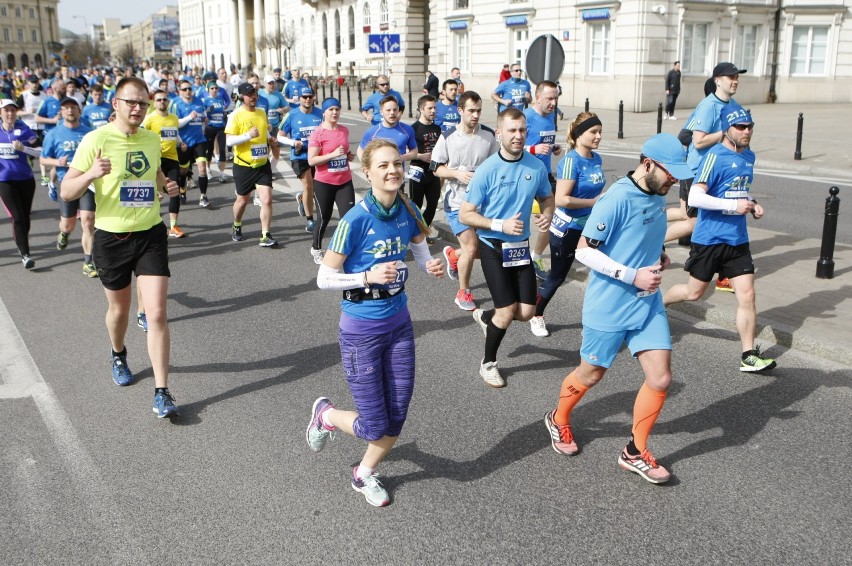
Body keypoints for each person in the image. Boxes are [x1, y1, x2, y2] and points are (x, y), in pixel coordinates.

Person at [544, 133, 691, 484]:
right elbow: (584, 250)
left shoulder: (655, 194)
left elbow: (642, 237)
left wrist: (657, 257)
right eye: (670, 173)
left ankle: (635, 452)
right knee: (591, 374)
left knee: (660, 378)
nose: (674, 181)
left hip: (648, 303)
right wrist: (631, 274)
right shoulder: (616, 199)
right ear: (648, 164)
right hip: (610, 305)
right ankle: (558, 417)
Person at [305, 138, 444, 507]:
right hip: (361, 333)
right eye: (382, 165)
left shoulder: (408, 208)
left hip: (399, 325)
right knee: (374, 424)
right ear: (367, 173)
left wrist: (430, 264)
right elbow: (323, 278)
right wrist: (366, 277)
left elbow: (417, 246)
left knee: (396, 416)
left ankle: (362, 473)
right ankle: (326, 414)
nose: (392, 170)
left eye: (396, 163)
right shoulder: (355, 219)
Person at [62, 77, 181, 418]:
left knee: (156, 313)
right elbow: (68, 190)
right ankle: (117, 352)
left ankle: (162, 391)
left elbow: (154, 169)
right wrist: (90, 175)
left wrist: (165, 185)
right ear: (116, 104)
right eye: (131, 102)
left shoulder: (151, 138)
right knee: (120, 312)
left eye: (143, 103)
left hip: (149, 234)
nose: (137, 109)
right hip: (111, 238)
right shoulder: (95, 140)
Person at [664, 102, 776, 373]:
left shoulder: (749, 156)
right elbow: (695, 197)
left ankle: (748, 354)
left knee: (747, 295)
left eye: (750, 126)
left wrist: (752, 202)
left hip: (737, 240)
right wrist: (732, 207)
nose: (746, 131)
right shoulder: (714, 156)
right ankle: (657, 304)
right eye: (741, 126)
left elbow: (737, 190)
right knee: (693, 294)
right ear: (727, 129)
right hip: (710, 239)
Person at [459, 108, 554, 387]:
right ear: (499, 133)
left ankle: (484, 317)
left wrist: (547, 214)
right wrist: (500, 225)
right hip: (492, 245)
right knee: (506, 311)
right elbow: (466, 214)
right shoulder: (488, 169)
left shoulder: (535, 166)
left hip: (519, 247)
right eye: (512, 130)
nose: (518, 136)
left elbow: (547, 199)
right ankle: (488, 363)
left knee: (525, 313)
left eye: (522, 130)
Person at [529, 112, 605, 337]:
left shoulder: (596, 158)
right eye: (593, 132)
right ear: (579, 134)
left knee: (602, 271)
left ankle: (596, 321)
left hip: (591, 226)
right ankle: (536, 313)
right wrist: (594, 202)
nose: (598, 136)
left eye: (600, 132)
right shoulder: (571, 161)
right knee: (558, 276)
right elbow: (562, 199)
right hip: (568, 227)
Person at [434, 91, 499, 311]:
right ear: (460, 111)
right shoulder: (448, 136)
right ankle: (464, 292)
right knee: (471, 247)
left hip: (482, 204)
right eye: (471, 110)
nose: (475, 115)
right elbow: (435, 168)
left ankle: (454, 255)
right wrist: (456, 174)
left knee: (486, 249)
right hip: (456, 203)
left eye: (479, 110)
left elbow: (497, 166)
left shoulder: (489, 136)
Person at [683, 62, 746, 291]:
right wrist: (725, 132)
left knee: (719, 218)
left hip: (721, 172)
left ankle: (723, 273)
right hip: (698, 170)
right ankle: (656, 244)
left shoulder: (735, 105)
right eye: (730, 76)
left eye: (737, 76)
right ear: (718, 80)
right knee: (693, 222)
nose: (735, 80)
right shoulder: (708, 106)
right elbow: (698, 141)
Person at [39, 97, 96, 276]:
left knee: (88, 221)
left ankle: (88, 261)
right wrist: (57, 161)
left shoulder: (90, 133)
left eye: (73, 107)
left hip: (87, 182)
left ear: (79, 111)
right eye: (66, 108)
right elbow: (42, 158)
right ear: (61, 113)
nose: (70, 111)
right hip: (68, 184)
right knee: (68, 225)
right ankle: (64, 234)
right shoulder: (54, 134)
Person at [225, 82, 278, 247]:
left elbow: (264, 131)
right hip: (244, 165)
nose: (254, 97)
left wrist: (269, 137)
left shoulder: (261, 113)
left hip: (262, 164)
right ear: (242, 97)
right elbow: (229, 141)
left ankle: (265, 234)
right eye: (250, 94)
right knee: (242, 200)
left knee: (267, 199)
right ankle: (237, 224)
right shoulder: (236, 115)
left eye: (255, 93)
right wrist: (248, 135)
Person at [306, 97, 356, 264]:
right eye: (331, 110)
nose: (334, 112)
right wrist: (333, 155)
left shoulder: (344, 130)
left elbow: (343, 151)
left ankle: (344, 249)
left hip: (344, 180)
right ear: (324, 112)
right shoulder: (318, 133)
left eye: (337, 109)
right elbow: (311, 160)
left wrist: (348, 156)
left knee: (348, 219)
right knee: (324, 218)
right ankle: (316, 248)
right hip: (324, 183)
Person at [524, 80, 563, 280]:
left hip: (545, 176)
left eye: (556, 98)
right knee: (518, 221)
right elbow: (505, 146)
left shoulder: (550, 117)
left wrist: (554, 147)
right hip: (523, 176)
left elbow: (545, 141)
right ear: (537, 97)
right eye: (549, 98)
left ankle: (535, 257)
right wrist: (533, 149)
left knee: (551, 219)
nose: (553, 103)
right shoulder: (526, 117)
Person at [0, 98, 40, 269]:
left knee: (25, 217)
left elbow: (39, 153)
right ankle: (25, 254)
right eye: (6, 110)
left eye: (13, 110)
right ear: (0, 113)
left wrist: (24, 149)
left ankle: (21, 241)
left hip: (26, 180)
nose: (10, 114)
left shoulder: (24, 130)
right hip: (4, 181)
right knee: (17, 217)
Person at [142, 89, 187, 238]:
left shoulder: (173, 118)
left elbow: (175, 133)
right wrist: (152, 147)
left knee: (175, 191)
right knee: (154, 194)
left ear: (168, 102)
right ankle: (150, 224)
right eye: (159, 99)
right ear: (154, 103)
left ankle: (173, 226)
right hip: (156, 160)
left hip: (172, 159)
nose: (162, 102)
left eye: (164, 99)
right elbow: (140, 136)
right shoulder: (149, 119)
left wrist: (181, 142)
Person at [279, 86, 323, 232]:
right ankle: (310, 220)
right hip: (300, 156)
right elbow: (280, 136)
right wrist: (293, 143)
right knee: (308, 185)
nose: (308, 99)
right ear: (299, 99)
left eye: (310, 96)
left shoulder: (321, 114)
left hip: (317, 155)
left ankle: (302, 200)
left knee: (316, 187)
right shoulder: (291, 115)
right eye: (305, 97)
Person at [170, 79, 211, 207]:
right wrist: (189, 117)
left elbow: (203, 112)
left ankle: (203, 196)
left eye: (189, 89)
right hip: (184, 143)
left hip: (199, 139)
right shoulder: (175, 103)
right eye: (184, 89)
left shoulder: (198, 100)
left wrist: (205, 118)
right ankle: (182, 189)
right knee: (183, 170)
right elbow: (174, 123)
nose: (188, 91)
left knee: (202, 168)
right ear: (179, 91)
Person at [408, 95, 441, 239]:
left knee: (433, 203)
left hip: (433, 172)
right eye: (430, 108)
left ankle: (423, 231)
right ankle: (414, 234)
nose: (433, 111)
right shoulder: (413, 129)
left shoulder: (437, 128)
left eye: (434, 108)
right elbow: (404, 152)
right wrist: (420, 156)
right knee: (416, 205)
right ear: (422, 109)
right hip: (417, 171)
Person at [357, 96, 417, 164]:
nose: (392, 113)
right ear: (381, 112)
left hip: (397, 173)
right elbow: (360, 150)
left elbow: (414, 152)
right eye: (388, 110)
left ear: (398, 110)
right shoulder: (372, 132)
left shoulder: (407, 130)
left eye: (394, 110)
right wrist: (367, 167)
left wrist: (401, 158)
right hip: (378, 174)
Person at [202, 81, 229, 183]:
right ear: (208, 90)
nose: (214, 90)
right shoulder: (205, 100)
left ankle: (222, 173)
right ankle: (208, 169)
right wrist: (208, 110)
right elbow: (202, 113)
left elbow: (223, 111)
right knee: (209, 149)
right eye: (212, 88)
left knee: (222, 149)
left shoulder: (220, 99)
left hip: (221, 127)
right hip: (210, 127)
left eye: (216, 88)